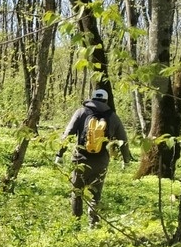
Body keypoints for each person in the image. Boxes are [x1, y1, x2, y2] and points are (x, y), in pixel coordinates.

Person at [55, 89, 134, 228]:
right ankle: (94, 224)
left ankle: (76, 223)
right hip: (101, 161)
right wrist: (126, 160)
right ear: (106, 100)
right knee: (95, 195)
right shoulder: (113, 117)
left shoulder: (81, 112)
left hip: (80, 159)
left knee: (77, 192)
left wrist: (59, 154)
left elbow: (67, 134)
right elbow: (123, 139)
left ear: (92, 98)